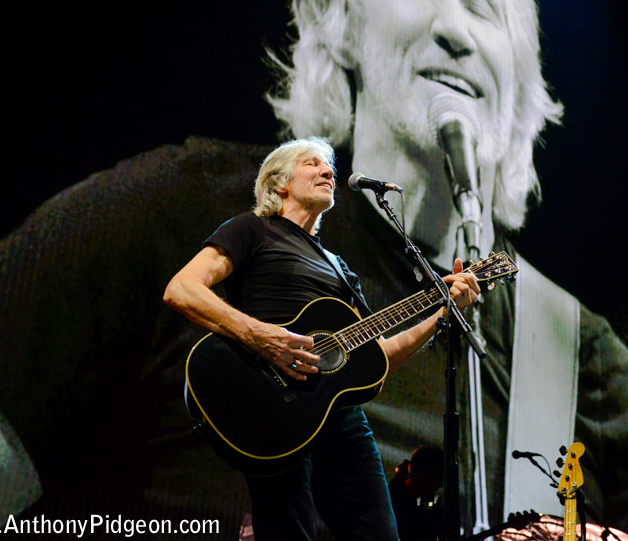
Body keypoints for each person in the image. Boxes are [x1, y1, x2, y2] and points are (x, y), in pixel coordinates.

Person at [0, 0, 628, 538]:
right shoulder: (187, 207)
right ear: (341, 20)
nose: (454, 28)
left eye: (483, 7)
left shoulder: (581, 359)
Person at [163, 137, 479, 540]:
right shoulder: (252, 230)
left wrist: (441, 316)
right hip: (269, 404)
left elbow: (375, 357)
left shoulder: (340, 269)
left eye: (329, 165)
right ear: (279, 184)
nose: (328, 171)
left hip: (339, 416)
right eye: (313, 164)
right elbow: (182, 288)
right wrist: (260, 336)